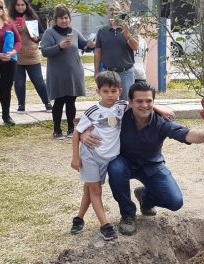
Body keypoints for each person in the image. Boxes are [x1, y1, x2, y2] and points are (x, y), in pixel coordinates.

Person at [81, 81, 204, 236]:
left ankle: (145, 197)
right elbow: (93, 120)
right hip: (124, 162)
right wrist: (84, 133)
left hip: (152, 165)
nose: (144, 105)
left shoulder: (161, 122)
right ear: (130, 102)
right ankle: (128, 215)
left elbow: (185, 133)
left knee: (175, 201)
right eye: (139, 101)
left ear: (153, 102)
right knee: (115, 168)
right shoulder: (120, 116)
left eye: (149, 101)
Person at [70, 71, 126, 241]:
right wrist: (75, 158)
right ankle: (105, 226)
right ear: (98, 92)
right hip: (91, 156)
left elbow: (144, 104)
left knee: (88, 190)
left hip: (110, 157)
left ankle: (78, 219)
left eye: (113, 91)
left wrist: (160, 109)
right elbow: (76, 133)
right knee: (95, 190)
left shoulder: (123, 106)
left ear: (120, 91)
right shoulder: (93, 111)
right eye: (105, 91)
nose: (110, 95)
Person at [41, 5, 94, 139]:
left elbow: (84, 46)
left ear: (69, 19)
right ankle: (57, 129)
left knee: (71, 101)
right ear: (55, 19)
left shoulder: (74, 32)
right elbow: (44, 51)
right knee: (59, 101)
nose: (64, 21)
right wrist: (59, 46)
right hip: (58, 74)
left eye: (66, 18)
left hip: (74, 73)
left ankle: (71, 128)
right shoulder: (50, 33)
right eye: (61, 18)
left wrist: (90, 45)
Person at [9, 0, 51, 113]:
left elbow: (43, 33)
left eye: (23, 4)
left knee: (38, 81)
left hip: (32, 55)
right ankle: (21, 105)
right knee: (19, 82)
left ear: (26, 6)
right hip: (16, 55)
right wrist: (14, 30)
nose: (20, 7)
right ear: (14, 6)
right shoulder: (8, 19)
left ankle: (47, 103)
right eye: (18, 5)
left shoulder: (32, 18)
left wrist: (37, 37)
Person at [94, 0, 138, 100]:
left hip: (125, 73)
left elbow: (135, 47)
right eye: (111, 9)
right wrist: (96, 72)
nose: (113, 12)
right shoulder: (102, 31)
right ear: (107, 12)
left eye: (116, 10)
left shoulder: (129, 28)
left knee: (126, 103)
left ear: (121, 12)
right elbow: (98, 53)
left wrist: (127, 35)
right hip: (108, 73)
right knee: (109, 101)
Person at [0, 0, 21, 125]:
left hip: (9, 62)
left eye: (0, 7)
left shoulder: (10, 24)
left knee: (6, 90)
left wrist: (13, 52)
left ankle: (6, 116)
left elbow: (18, 41)